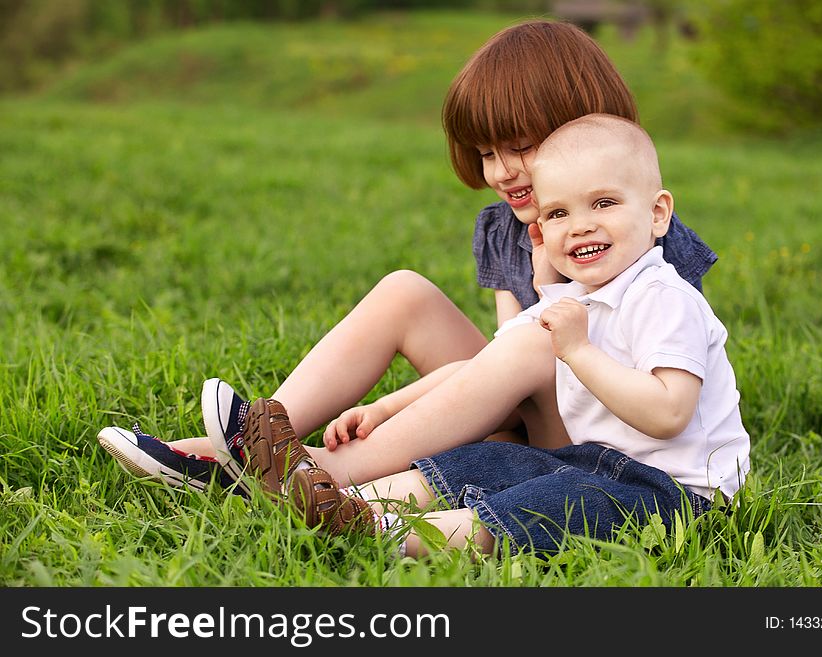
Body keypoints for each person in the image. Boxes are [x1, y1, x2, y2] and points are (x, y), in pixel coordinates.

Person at [97, 20, 717, 496]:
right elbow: (499, 369)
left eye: (520, 148)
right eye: (485, 153)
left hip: (603, 443)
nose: (501, 172)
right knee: (405, 291)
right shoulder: (505, 227)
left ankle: (312, 471)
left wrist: (553, 290)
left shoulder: (636, 230)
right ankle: (257, 435)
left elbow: (653, 370)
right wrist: (397, 403)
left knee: (534, 341)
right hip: (515, 409)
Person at [259, 114, 751, 556]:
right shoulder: (570, 298)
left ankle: (380, 531)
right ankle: (330, 499)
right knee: (491, 460)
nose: (579, 227)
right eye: (558, 213)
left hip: (679, 497)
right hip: (591, 461)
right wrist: (387, 409)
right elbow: (485, 367)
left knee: (547, 505)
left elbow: (669, 413)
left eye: (603, 203)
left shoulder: (664, 297)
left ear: (658, 213)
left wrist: (577, 351)